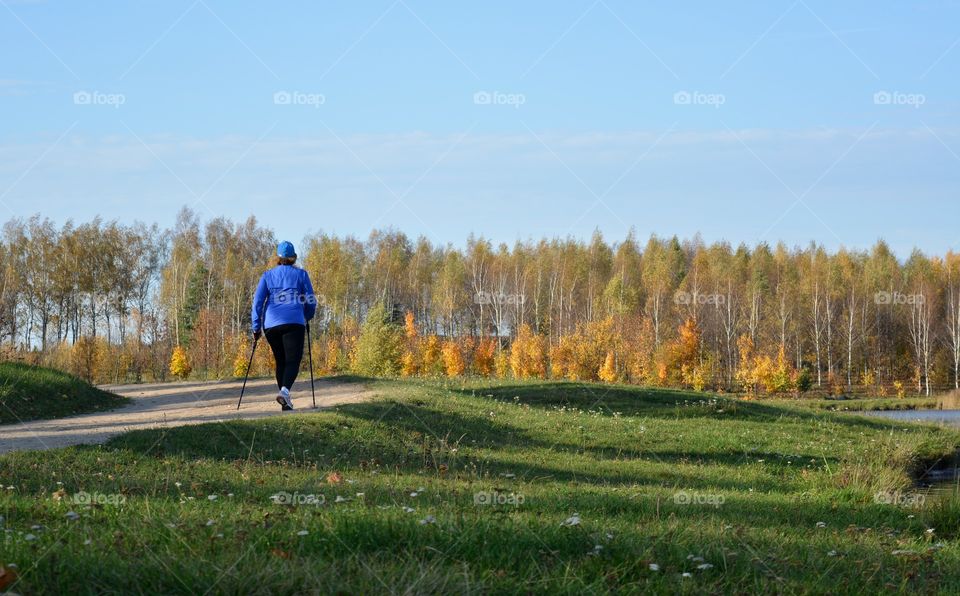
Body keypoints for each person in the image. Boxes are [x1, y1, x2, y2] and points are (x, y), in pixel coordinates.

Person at [251, 241, 316, 410]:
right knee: (293, 360)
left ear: (278, 258)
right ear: (293, 258)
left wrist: (256, 327)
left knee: (281, 361)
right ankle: (285, 392)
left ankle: (285, 402)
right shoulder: (301, 275)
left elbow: (257, 303)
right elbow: (311, 300)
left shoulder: (267, 275)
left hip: (271, 325)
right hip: (294, 321)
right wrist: (307, 316)